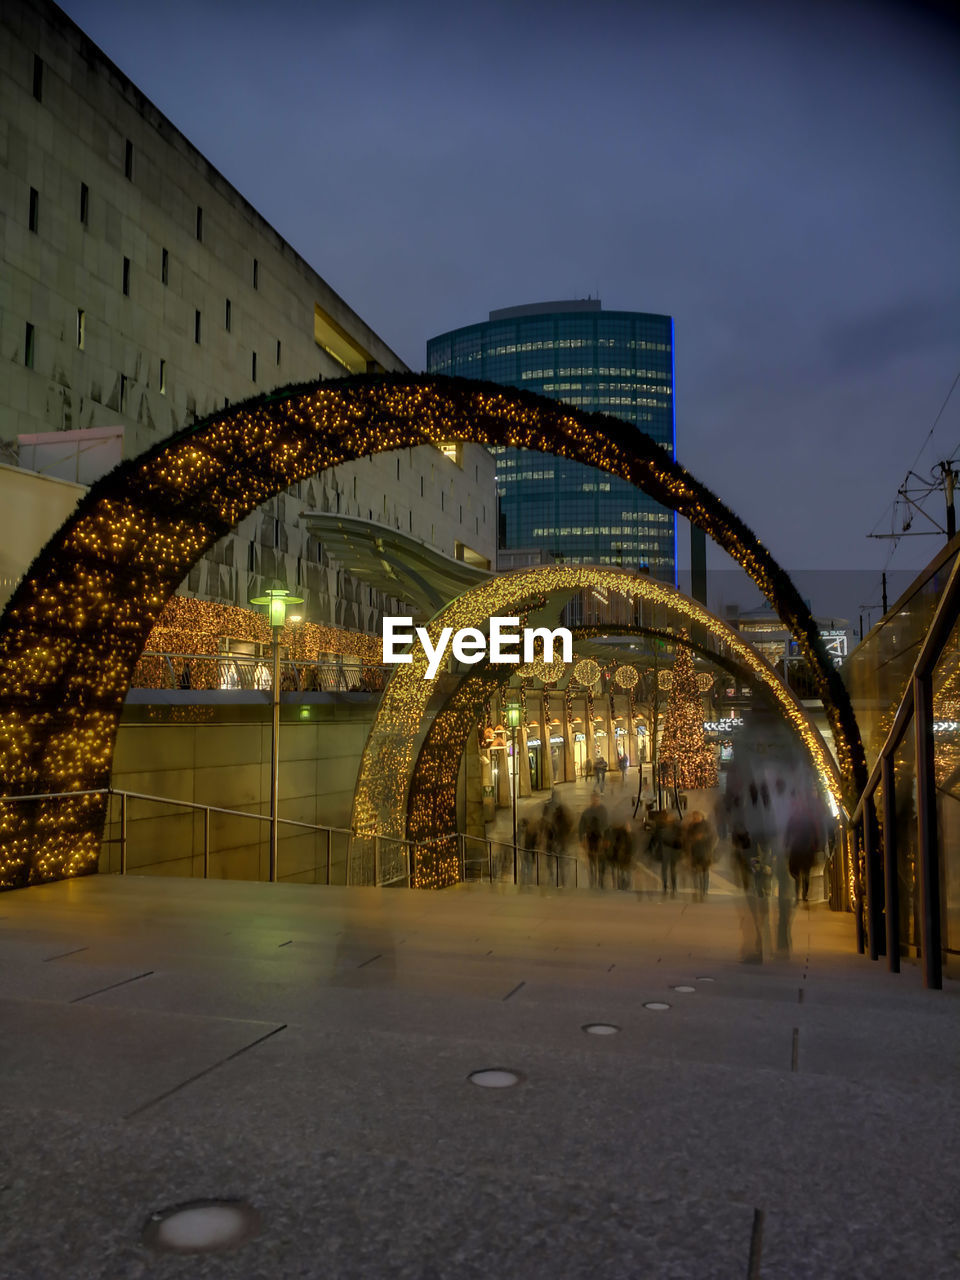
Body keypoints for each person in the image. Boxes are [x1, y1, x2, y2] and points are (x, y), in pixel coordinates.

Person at [683, 809, 715, 901]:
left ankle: (704, 890)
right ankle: (697, 889)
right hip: (695, 852)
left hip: (705, 852)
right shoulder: (691, 827)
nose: (695, 818)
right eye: (694, 817)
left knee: (705, 872)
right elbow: (687, 839)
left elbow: (713, 837)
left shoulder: (707, 825)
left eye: (696, 817)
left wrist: (703, 838)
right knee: (696, 872)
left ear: (701, 817)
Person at [579, 791, 608, 887]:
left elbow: (607, 824)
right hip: (591, 840)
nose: (595, 800)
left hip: (600, 839)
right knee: (592, 861)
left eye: (597, 798)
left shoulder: (603, 811)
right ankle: (593, 879)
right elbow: (581, 826)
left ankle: (600, 879)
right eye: (594, 798)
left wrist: (607, 838)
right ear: (591, 799)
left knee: (601, 861)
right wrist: (581, 839)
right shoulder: (587, 812)